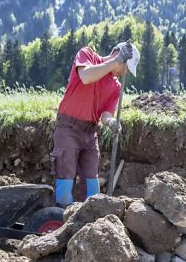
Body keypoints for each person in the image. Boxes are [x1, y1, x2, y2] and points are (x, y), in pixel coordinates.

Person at [51, 41, 139, 207]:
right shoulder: (87, 55)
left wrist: (111, 122)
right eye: (125, 67)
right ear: (117, 55)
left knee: (92, 185)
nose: (125, 72)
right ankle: (62, 223)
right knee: (65, 181)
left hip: (90, 133)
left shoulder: (115, 86)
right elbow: (86, 77)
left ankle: (88, 223)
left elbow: (106, 115)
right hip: (68, 128)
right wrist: (115, 61)